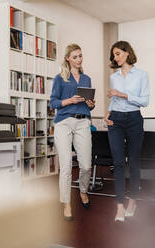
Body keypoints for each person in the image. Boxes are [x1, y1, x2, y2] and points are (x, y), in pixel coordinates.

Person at [104, 41, 149, 222]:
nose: (115, 57)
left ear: (127, 53)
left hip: (134, 119)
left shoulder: (141, 75)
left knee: (134, 162)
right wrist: (107, 113)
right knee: (118, 162)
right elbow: (114, 101)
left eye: (118, 54)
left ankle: (133, 201)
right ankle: (120, 206)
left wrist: (122, 94)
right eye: (114, 55)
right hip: (116, 119)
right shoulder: (114, 77)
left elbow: (144, 101)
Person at [50, 43, 96, 221]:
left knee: (85, 165)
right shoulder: (60, 78)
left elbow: (89, 105)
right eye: (75, 56)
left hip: (83, 122)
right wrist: (69, 100)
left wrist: (91, 104)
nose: (79, 59)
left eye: (81, 56)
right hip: (63, 123)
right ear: (68, 58)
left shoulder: (86, 79)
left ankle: (83, 191)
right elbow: (53, 103)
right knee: (67, 166)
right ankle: (66, 203)